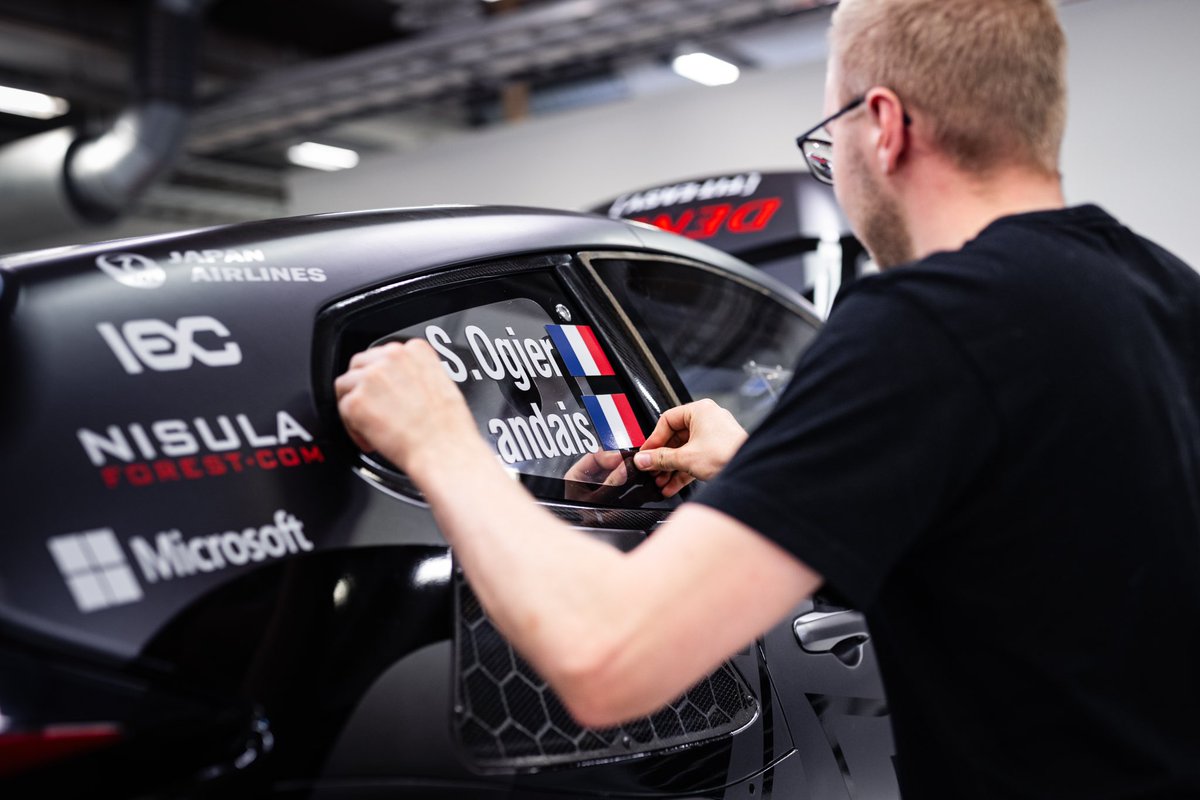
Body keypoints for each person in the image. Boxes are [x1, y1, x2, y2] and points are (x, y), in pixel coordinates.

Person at [334, 0, 1200, 795]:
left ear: (884, 127)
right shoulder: (1164, 293)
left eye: (827, 141)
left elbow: (608, 658)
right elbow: (1028, 557)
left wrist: (441, 441)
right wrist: (762, 471)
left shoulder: (930, 323)